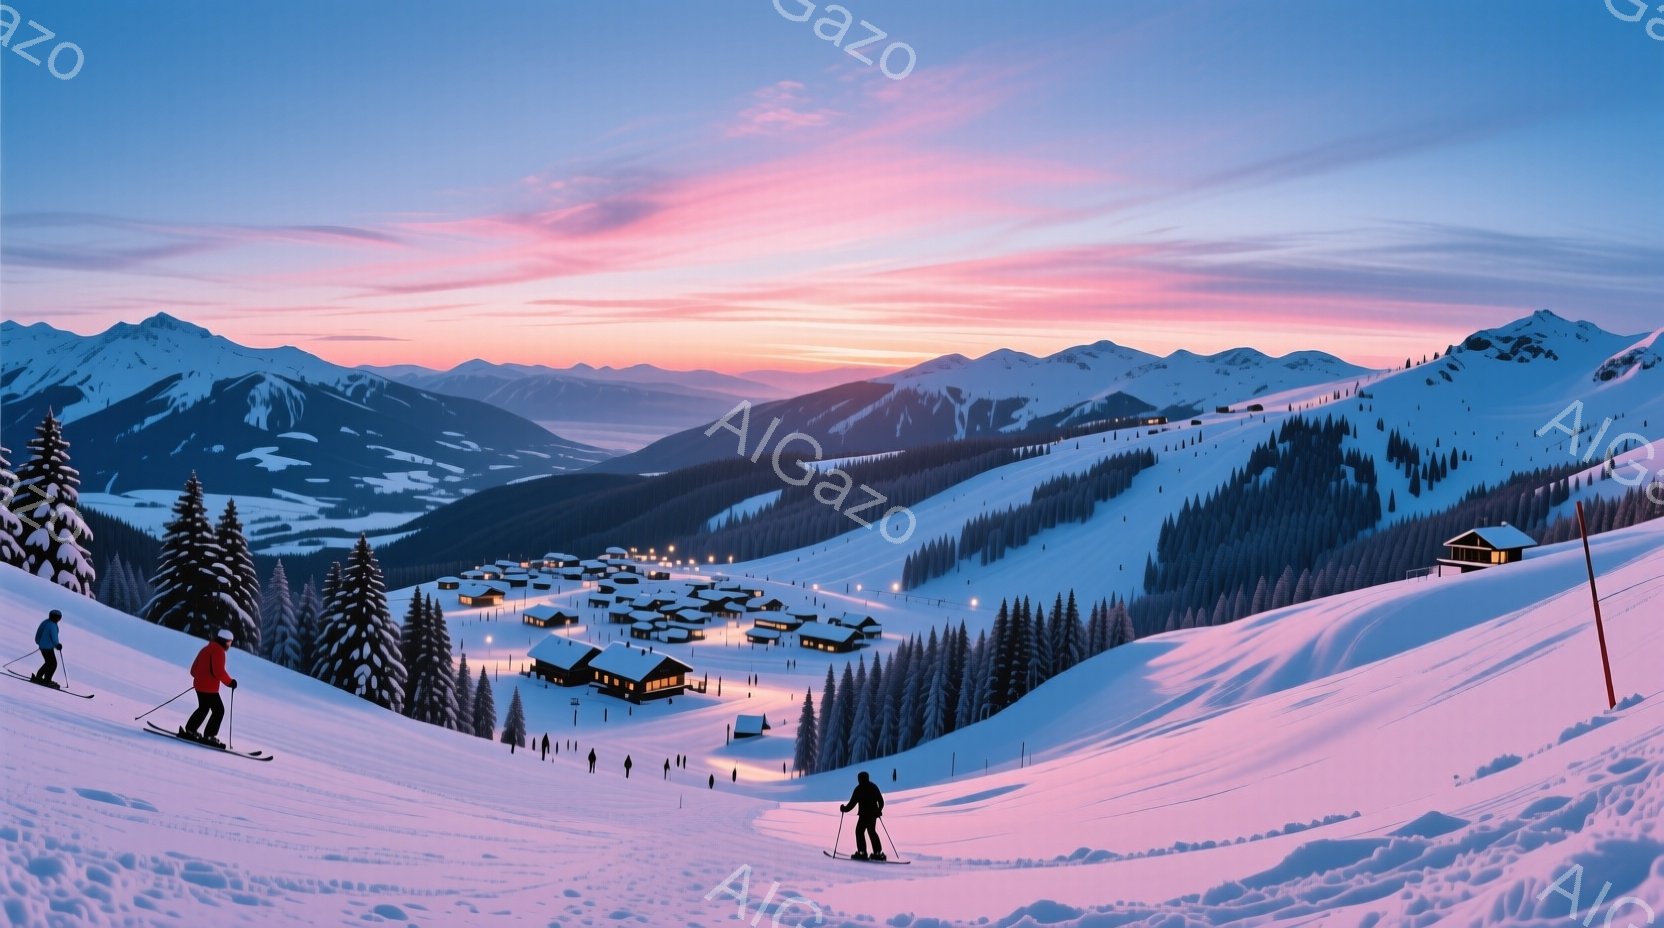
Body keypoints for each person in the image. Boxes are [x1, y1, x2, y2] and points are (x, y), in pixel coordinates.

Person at [181, 630, 238, 747]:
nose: (229, 646)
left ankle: (190, 730)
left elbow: (193, 670)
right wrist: (230, 682)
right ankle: (209, 736)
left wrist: (201, 678)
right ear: (225, 641)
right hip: (209, 688)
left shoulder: (206, 648)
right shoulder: (219, 651)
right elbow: (218, 672)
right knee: (219, 710)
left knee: (203, 708)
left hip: (199, 686)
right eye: (229, 643)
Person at [840, 771, 885, 861]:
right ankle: (878, 853)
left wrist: (843, 809)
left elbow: (851, 804)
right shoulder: (873, 787)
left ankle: (862, 853)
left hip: (864, 815)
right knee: (871, 832)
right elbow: (881, 801)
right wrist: (879, 810)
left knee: (859, 832)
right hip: (872, 815)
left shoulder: (859, 789)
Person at [29, 610, 63, 688]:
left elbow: (39, 634)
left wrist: (40, 643)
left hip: (43, 647)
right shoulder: (52, 625)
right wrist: (57, 645)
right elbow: (54, 637)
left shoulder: (46, 622)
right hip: (47, 648)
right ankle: (47, 680)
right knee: (53, 664)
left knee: (49, 663)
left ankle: (39, 677)